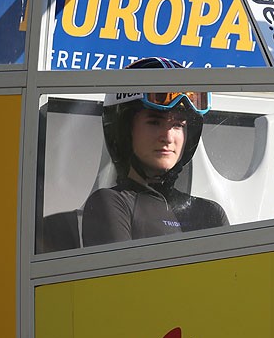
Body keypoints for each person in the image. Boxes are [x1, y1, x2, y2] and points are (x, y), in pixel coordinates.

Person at [81, 57, 228, 246]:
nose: (168, 137)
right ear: (124, 130)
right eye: (154, 122)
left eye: (178, 125)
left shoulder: (209, 212)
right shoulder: (111, 203)